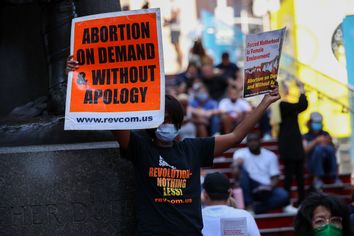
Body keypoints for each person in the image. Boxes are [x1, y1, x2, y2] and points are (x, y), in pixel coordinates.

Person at [66, 56, 280, 235]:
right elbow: (111, 114)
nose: (167, 124)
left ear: (179, 123)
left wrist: (265, 102)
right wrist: (79, 79)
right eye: (162, 119)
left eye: (171, 120)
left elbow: (235, 136)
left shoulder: (193, 149)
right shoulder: (141, 148)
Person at [232, 132, 296, 214]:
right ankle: (249, 206)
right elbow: (236, 172)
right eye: (250, 141)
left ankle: (255, 209)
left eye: (255, 140)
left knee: (283, 195)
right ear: (247, 143)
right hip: (249, 186)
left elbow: (275, 178)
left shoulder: (270, 155)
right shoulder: (240, 153)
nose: (253, 143)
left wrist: (269, 187)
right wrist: (236, 165)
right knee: (242, 172)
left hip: (265, 187)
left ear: (260, 141)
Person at [278, 80, 308, 205]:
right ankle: (286, 202)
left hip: (294, 143)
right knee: (289, 175)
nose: (287, 89)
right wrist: (301, 89)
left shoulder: (286, 105)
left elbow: (302, 106)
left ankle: (301, 200)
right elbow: (302, 105)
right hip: (288, 144)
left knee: (300, 175)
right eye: (284, 87)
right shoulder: (282, 105)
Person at [303, 112, 342, 189]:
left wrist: (329, 143)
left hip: (327, 163)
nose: (317, 125)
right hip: (312, 165)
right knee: (318, 149)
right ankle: (318, 178)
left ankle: (335, 177)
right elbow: (304, 150)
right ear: (310, 123)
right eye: (315, 123)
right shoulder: (306, 136)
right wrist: (316, 142)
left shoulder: (325, 134)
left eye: (319, 123)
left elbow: (334, 148)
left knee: (329, 149)